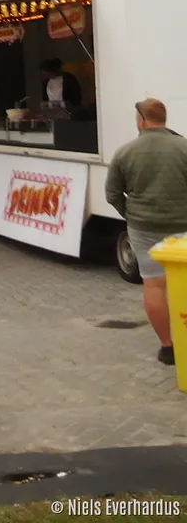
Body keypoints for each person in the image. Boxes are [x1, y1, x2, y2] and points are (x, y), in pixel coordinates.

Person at [104, 98, 187, 367]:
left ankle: (168, 347)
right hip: (183, 227)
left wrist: (130, 214)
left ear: (141, 120)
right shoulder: (184, 147)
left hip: (144, 228)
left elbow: (112, 194)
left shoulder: (125, 152)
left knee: (154, 284)